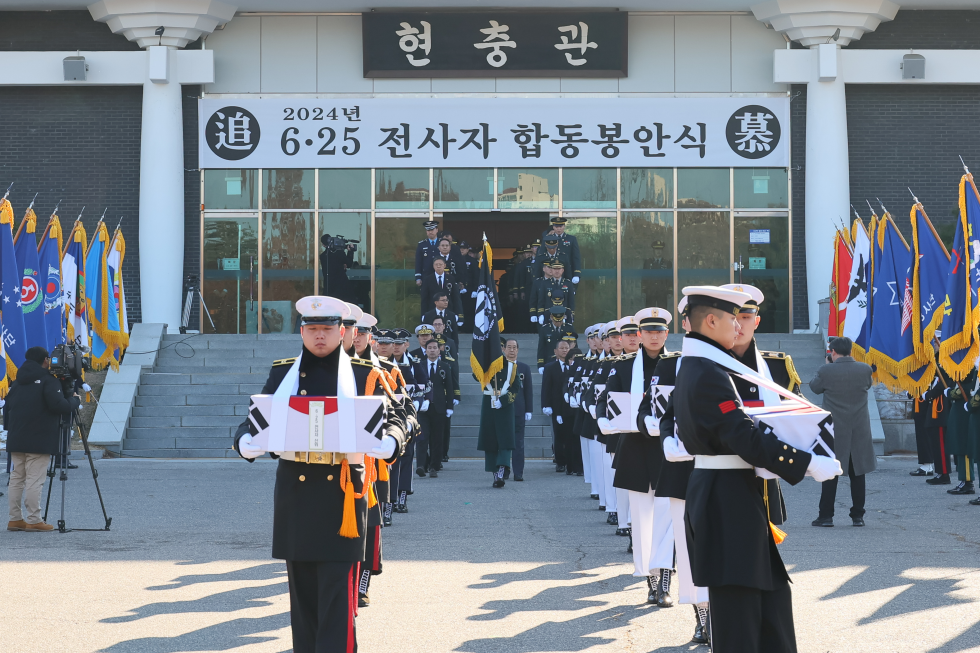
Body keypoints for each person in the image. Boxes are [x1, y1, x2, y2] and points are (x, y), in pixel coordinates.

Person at [234, 296, 408, 653]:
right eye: (311, 329)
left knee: (336, 601)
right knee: (303, 602)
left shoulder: (364, 374)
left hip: (341, 498)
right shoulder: (283, 373)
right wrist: (244, 440)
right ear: (301, 331)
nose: (318, 337)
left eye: (326, 329)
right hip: (296, 497)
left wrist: (392, 440)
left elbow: (401, 417)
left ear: (341, 331)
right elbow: (257, 417)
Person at [674, 285, 841, 653]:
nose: (739, 327)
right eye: (733, 319)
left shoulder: (705, 366)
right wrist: (808, 462)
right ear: (712, 320)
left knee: (771, 603)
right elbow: (743, 436)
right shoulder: (706, 373)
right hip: (725, 497)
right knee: (739, 618)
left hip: (734, 493)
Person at [639, 297, 711, 642]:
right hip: (681, 468)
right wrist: (660, 430)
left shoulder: (748, 365)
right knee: (686, 545)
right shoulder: (671, 367)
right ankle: (702, 616)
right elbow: (651, 409)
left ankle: (729, 614)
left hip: (731, 470)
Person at [606, 308, 675, 607]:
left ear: (667, 333)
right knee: (642, 517)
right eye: (648, 331)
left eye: (660, 331)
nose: (654, 335)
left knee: (668, 517)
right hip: (635, 448)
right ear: (639, 334)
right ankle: (650, 578)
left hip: (668, 450)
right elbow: (606, 402)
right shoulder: (623, 368)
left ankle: (666, 579)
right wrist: (605, 420)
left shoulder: (678, 365)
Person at [722, 283, 802, 529]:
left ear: (757, 322)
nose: (740, 325)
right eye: (734, 317)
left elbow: (798, 417)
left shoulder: (777, 367)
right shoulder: (706, 365)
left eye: (746, 317)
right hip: (721, 468)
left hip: (765, 470)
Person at [5, 346, 82, 532]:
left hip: (16, 437)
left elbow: (7, 407)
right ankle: (34, 520)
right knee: (34, 480)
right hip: (39, 439)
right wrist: (75, 400)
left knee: (17, 478)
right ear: (45, 360)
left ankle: (15, 519)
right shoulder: (48, 381)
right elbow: (59, 406)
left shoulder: (17, 381)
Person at [809, 336, 876, 527]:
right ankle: (858, 516)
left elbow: (815, 388)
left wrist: (827, 364)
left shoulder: (826, 370)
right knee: (858, 473)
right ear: (851, 351)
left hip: (834, 429)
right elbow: (867, 385)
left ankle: (826, 516)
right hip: (859, 428)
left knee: (830, 473)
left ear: (833, 352)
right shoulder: (864, 369)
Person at [476, 353, 523, 487]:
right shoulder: (485, 366)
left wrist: (503, 401)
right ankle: (495, 473)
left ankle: (502, 471)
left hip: (504, 406)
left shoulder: (511, 367)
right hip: (488, 403)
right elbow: (476, 376)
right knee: (490, 439)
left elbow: (515, 387)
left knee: (505, 439)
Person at [542, 338, 576, 474]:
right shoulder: (550, 367)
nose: (564, 350)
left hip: (571, 407)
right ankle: (560, 462)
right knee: (559, 435)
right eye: (561, 348)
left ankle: (571, 462)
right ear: (555, 351)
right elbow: (546, 388)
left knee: (571, 435)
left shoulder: (574, 366)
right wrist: (546, 405)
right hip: (556, 407)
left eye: (566, 348)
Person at [504, 338, 533, 482]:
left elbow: (528, 390)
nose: (511, 350)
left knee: (519, 443)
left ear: (518, 350)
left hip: (519, 410)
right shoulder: (499, 367)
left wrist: (529, 409)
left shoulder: (524, 368)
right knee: (503, 442)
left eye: (514, 347)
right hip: (503, 410)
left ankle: (518, 471)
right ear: (504, 349)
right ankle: (503, 470)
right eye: (509, 347)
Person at [541, 216, 582, 284]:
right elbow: (542, 254)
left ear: (564, 226)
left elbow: (576, 257)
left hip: (567, 272)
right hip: (552, 272)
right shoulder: (548, 239)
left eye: (561, 226)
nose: (559, 229)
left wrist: (577, 273)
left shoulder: (571, 239)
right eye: (557, 227)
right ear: (553, 227)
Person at [537, 305, 576, 371]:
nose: (558, 323)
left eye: (560, 321)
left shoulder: (569, 328)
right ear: (551, 317)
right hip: (550, 361)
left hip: (566, 362)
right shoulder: (545, 329)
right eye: (556, 321)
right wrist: (540, 364)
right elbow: (541, 348)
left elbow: (575, 347)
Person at [414, 220, 441, 287]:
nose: (430, 232)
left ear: (437, 230)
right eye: (428, 230)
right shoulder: (421, 244)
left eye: (432, 230)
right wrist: (418, 277)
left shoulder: (442, 243)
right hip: (426, 276)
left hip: (440, 275)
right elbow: (418, 262)